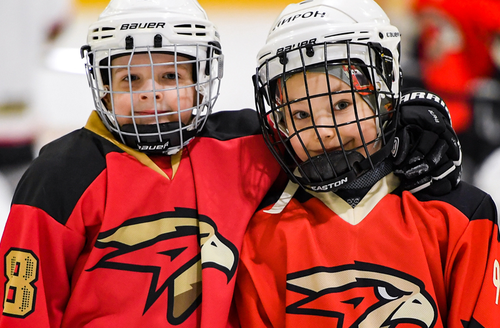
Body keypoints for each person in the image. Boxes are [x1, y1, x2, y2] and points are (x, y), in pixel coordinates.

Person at [0, 0, 465, 327]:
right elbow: (23, 307)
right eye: (129, 77)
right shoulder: (60, 175)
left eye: (169, 75)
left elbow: (319, 130)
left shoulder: (242, 146)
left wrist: (403, 129)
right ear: (100, 81)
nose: (149, 93)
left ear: (203, 77)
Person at [234, 0, 499, 327]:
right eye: (301, 115)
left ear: (385, 98)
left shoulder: (459, 215)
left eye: (342, 104)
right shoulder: (261, 234)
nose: (323, 132)